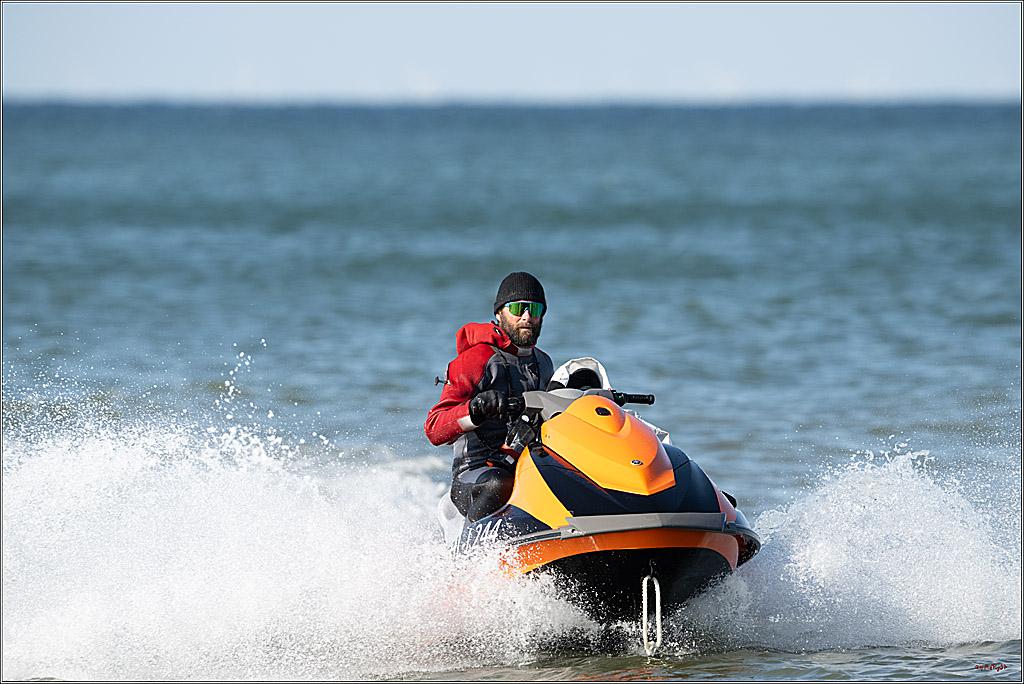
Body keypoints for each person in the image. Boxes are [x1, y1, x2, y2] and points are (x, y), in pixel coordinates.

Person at [425, 272, 554, 523]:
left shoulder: (544, 363)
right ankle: (470, 557)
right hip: (474, 475)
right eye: (518, 308)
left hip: (522, 465)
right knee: (499, 483)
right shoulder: (477, 359)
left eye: (534, 308)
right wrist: (475, 409)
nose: (526, 317)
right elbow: (434, 429)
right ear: (499, 313)